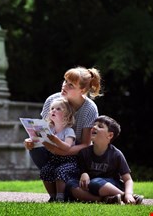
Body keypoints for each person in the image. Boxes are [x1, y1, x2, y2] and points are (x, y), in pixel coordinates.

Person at [24, 66, 102, 201]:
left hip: (75, 152)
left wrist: (65, 151)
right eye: (65, 81)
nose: (64, 85)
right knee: (34, 150)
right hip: (53, 147)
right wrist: (31, 140)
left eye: (70, 84)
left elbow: (86, 145)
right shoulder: (52, 100)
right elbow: (43, 131)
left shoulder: (89, 108)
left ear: (82, 90)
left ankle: (66, 189)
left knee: (69, 163)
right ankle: (54, 193)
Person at [66, 115, 144, 205]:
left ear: (110, 135)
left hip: (110, 185)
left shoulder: (116, 154)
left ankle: (124, 196)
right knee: (71, 184)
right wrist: (84, 174)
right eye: (94, 125)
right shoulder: (84, 153)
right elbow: (81, 172)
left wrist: (128, 194)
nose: (94, 127)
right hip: (90, 186)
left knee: (95, 182)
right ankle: (106, 200)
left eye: (100, 126)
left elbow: (128, 179)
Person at [39, 98, 79, 202]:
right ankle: (52, 196)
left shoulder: (68, 130)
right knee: (45, 171)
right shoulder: (50, 129)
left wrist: (55, 139)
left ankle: (60, 197)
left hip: (69, 161)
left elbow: (67, 147)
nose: (53, 110)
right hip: (54, 160)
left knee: (60, 171)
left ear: (67, 115)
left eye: (58, 109)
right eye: (52, 108)